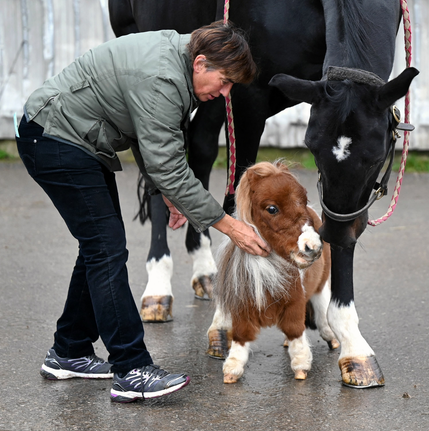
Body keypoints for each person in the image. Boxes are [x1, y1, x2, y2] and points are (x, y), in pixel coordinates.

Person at [15, 20, 270, 403]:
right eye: (225, 80)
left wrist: (164, 191)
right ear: (201, 63)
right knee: (106, 250)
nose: (225, 92)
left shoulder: (178, 62)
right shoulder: (163, 78)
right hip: (55, 139)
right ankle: (131, 368)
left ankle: (69, 350)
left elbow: (150, 135)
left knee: (100, 248)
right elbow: (168, 162)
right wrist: (231, 227)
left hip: (73, 139)